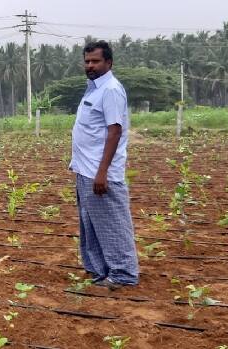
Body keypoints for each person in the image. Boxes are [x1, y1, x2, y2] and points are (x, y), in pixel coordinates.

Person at [70, 40, 139, 290]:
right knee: (91, 225)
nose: (90, 65)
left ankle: (123, 275)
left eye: (96, 61)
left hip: (100, 172)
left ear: (108, 63)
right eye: (87, 61)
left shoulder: (110, 89)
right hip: (84, 169)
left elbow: (114, 132)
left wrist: (102, 173)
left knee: (112, 225)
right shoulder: (94, 89)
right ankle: (100, 271)